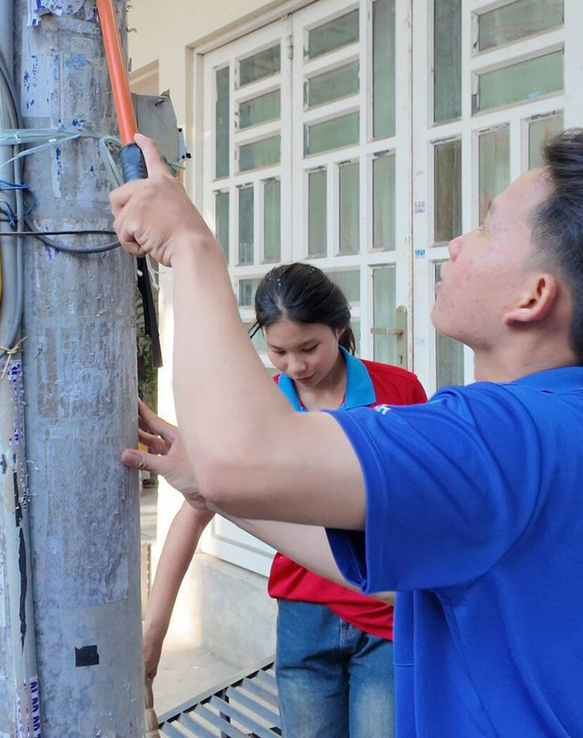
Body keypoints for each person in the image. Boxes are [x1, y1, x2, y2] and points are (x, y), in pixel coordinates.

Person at [113, 130, 583, 736]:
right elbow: (381, 568)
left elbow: (239, 457)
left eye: (486, 226)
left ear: (533, 296)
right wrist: (210, 487)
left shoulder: (503, 433)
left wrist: (190, 246)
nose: (455, 244)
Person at [143, 263, 424, 737]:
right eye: (278, 351)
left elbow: (426, 501)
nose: (296, 366)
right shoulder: (257, 410)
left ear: (339, 327)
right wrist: (154, 632)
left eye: (310, 348)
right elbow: (194, 512)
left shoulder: (399, 391)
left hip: (387, 614)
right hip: (302, 613)